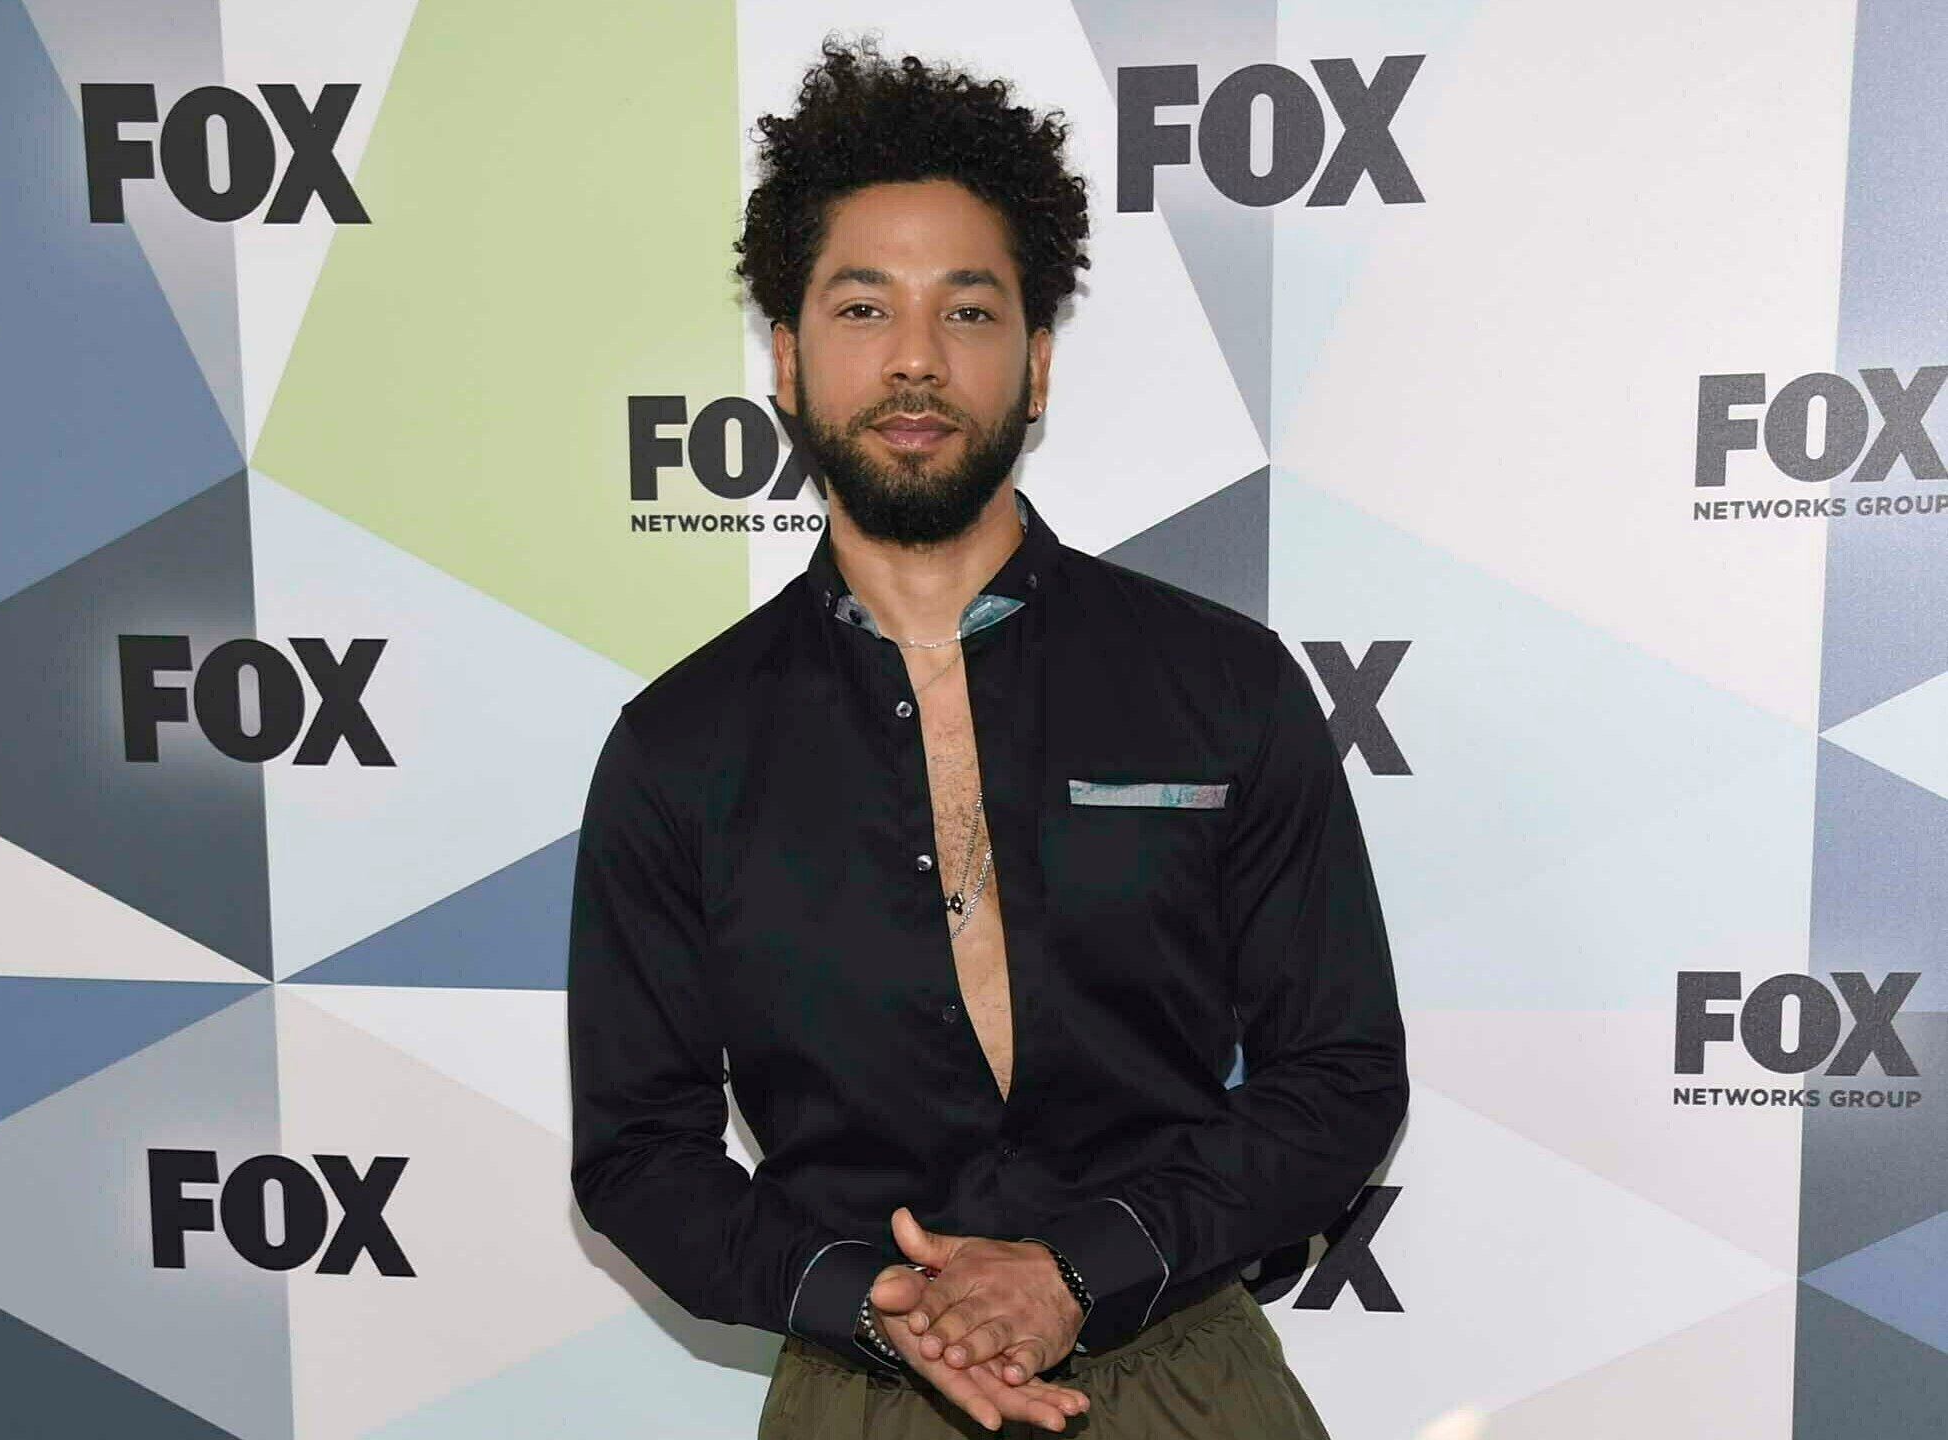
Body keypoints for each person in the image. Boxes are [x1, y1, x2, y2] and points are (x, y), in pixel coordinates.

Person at [567, 38, 1407, 1439]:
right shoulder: (679, 747)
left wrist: (1086, 1269)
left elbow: (1339, 1078)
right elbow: (639, 1156)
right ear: (785, 358)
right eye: (859, 308)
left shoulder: (1222, 684)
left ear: (1034, 363)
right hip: (860, 1389)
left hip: (1182, 1370)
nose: (912, 358)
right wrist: (858, 1300)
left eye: (967, 311)